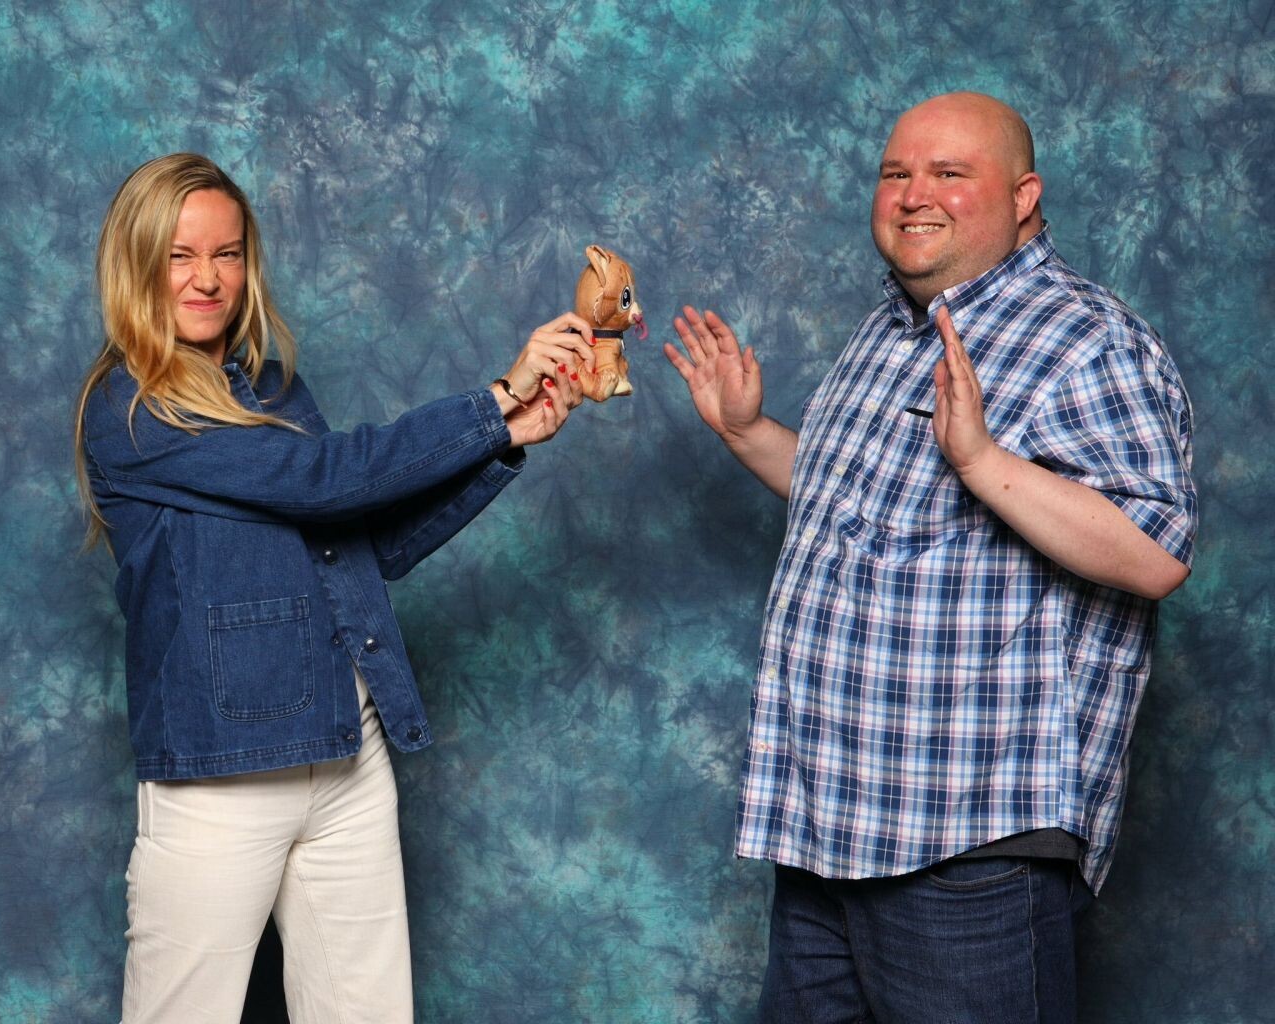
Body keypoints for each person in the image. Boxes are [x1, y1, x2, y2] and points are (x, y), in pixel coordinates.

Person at [664, 92, 1197, 1022]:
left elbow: (1155, 553)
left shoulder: (1088, 342)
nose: (915, 195)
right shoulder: (891, 328)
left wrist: (983, 462)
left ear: (1024, 197)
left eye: (950, 173)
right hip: (829, 822)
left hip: (968, 846)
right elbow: (868, 511)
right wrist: (748, 433)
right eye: (896, 173)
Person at [74, 153, 596, 1023]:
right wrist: (493, 399)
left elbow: (365, 542)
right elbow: (324, 479)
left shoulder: (273, 387)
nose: (209, 279)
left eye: (228, 253)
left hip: (346, 748)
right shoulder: (133, 408)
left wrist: (506, 439)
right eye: (179, 256)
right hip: (222, 774)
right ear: (135, 265)